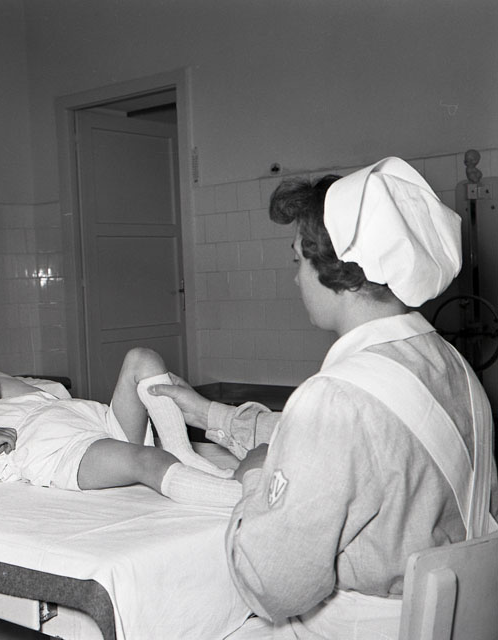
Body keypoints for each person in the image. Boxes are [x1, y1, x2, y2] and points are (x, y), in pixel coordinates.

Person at [150, 157, 498, 639]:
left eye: (299, 260)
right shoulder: (449, 365)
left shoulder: (335, 397)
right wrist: (212, 415)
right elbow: (365, 448)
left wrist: (254, 478)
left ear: (340, 270)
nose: (296, 278)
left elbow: (270, 585)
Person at [0, 343, 241, 507]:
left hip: (105, 425)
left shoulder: (22, 397)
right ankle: (240, 498)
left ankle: (182, 452)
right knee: (148, 460)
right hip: (70, 456)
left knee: (141, 357)